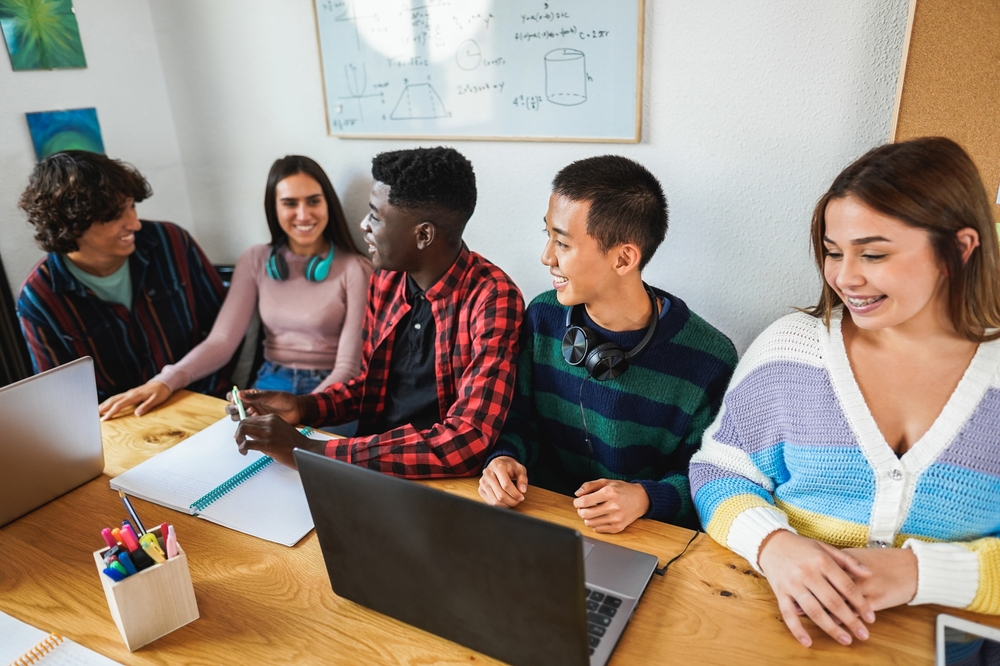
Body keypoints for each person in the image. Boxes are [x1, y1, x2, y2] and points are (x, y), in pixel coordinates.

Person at [690, 137, 1000, 649]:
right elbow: (718, 471)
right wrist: (774, 544)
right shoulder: (791, 350)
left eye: (873, 254)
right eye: (833, 252)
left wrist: (919, 572)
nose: (844, 277)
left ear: (959, 250)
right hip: (774, 628)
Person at [228, 146, 524, 478]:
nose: (363, 224)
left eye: (375, 216)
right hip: (369, 464)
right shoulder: (385, 279)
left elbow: (467, 440)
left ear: (423, 234)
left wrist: (310, 450)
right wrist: (302, 406)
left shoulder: (493, 298)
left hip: (441, 482)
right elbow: (368, 387)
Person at [478, 155, 738, 533]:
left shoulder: (708, 359)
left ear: (623, 258)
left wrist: (645, 498)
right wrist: (504, 459)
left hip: (638, 538)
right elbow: (517, 422)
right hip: (540, 520)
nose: (546, 257)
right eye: (547, 235)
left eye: (562, 243)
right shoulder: (543, 316)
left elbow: (712, 480)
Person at [98, 155, 373, 420]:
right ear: (274, 209)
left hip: (330, 391)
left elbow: (348, 368)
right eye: (290, 203)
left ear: (328, 204)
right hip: (270, 383)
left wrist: (304, 410)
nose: (303, 214)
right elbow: (221, 342)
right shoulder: (255, 259)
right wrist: (166, 380)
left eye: (313, 201)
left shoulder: (355, 268)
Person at [16, 151, 226, 402]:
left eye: (132, 207)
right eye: (115, 215)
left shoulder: (171, 242)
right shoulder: (39, 299)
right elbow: (63, 399)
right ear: (72, 224)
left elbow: (222, 328)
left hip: (204, 396)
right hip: (124, 423)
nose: (134, 223)